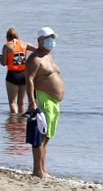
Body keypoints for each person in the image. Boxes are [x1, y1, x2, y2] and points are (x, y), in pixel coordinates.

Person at [24, 27, 65, 178]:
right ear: (40, 40)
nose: (51, 41)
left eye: (53, 38)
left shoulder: (49, 56)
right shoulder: (34, 58)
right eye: (48, 38)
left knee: (47, 137)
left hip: (54, 102)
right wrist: (31, 101)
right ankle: (37, 170)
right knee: (40, 135)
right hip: (44, 99)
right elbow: (29, 80)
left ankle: (42, 168)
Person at [0, 28, 31, 115]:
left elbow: (4, 63)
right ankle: (21, 123)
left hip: (12, 75)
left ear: (7, 37)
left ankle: (14, 122)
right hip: (24, 75)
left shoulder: (7, 46)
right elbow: (37, 50)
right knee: (21, 103)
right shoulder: (24, 44)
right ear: (17, 36)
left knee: (12, 103)